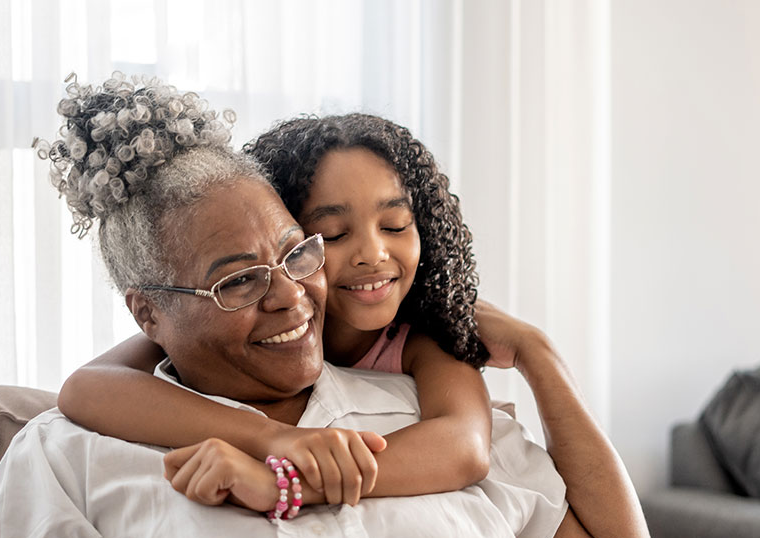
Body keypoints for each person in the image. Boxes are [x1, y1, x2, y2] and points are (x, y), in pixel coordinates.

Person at [0, 74, 660, 538]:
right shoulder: (64, 457)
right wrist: (270, 437)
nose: (291, 297)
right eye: (239, 281)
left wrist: (540, 356)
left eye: (296, 255)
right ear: (148, 312)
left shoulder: (425, 400)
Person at [57, 112, 494, 506]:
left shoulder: (421, 336)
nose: (372, 255)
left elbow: (465, 446)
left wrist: (285, 483)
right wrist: (275, 439)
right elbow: (86, 387)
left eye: (395, 225)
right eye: (334, 234)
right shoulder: (215, 325)